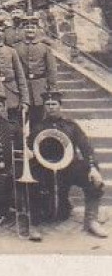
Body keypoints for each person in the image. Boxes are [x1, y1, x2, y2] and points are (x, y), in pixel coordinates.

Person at [30, 90, 107, 237]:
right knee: (31, 180)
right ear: (44, 107)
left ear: (60, 106)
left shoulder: (71, 125)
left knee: (92, 179)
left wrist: (92, 168)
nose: (51, 107)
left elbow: (86, 147)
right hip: (45, 167)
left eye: (54, 104)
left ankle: (92, 221)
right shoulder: (38, 127)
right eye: (48, 104)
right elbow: (30, 147)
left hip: (68, 167)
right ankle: (33, 224)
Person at [0, 92, 42, 240]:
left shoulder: (13, 126)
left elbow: (21, 149)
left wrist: (27, 152)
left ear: (4, 107)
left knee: (30, 185)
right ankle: (2, 209)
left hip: (12, 171)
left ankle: (31, 224)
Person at [0, 14, 29, 123]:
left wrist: (25, 100)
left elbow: (20, 76)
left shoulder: (11, 51)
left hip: (11, 95)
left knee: (14, 126)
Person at [16, 16, 58, 128]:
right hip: (23, 86)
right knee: (20, 120)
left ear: (37, 29)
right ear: (23, 29)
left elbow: (51, 68)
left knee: (39, 120)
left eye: (32, 27)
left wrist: (52, 86)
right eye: (27, 27)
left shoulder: (44, 47)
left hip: (40, 86)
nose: (30, 30)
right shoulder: (16, 47)